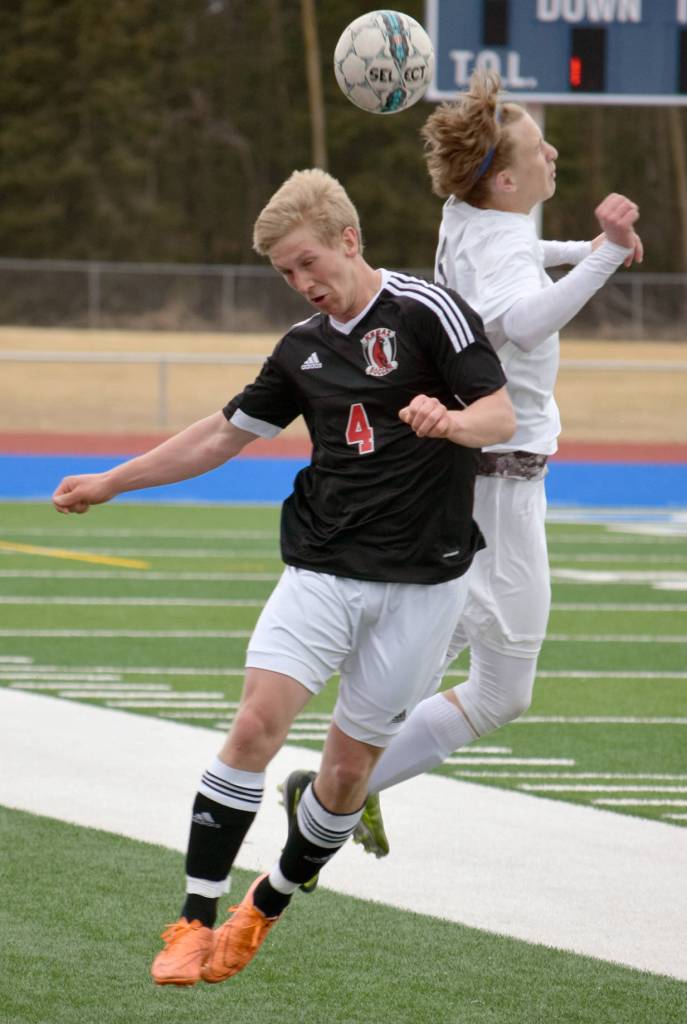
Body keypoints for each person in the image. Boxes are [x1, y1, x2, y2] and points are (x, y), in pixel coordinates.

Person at [52, 167, 515, 986]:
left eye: (310, 264)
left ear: (349, 238)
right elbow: (220, 435)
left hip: (425, 580)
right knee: (255, 727)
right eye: (286, 275)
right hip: (322, 565)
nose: (304, 286)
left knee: (344, 777)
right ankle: (193, 920)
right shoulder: (302, 348)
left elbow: (498, 415)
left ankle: (265, 903)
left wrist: (449, 420)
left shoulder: (426, 311)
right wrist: (110, 480)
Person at [312, 70, 643, 858]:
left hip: (478, 469)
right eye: (537, 148)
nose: (552, 152)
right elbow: (522, 318)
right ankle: (338, 784)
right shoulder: (495, 237)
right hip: (499, 480)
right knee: (490, 682)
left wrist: (590, 246)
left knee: (467, 662)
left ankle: (342, 778)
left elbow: (516, 250)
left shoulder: (467, 212)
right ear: (503, 177)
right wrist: (603, 259)